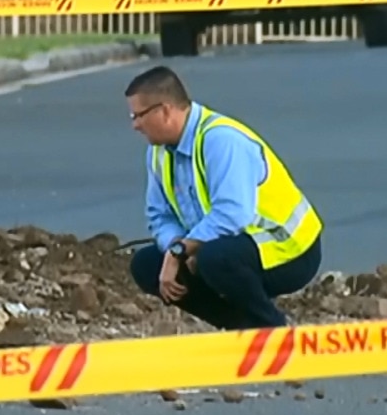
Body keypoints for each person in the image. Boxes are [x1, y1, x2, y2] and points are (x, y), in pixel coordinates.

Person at [125, 65, 324, 331]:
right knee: (146, 265)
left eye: (139, 115)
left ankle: (274, 332)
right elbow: (159, 215)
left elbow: (232, 214)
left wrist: (181, 251)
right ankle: (238, 327)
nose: (134, 125)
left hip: (290, 249)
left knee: (216, 259)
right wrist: (178, 247)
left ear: (164, 111)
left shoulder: (221, 140)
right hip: (227, 247)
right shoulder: (159, 153)